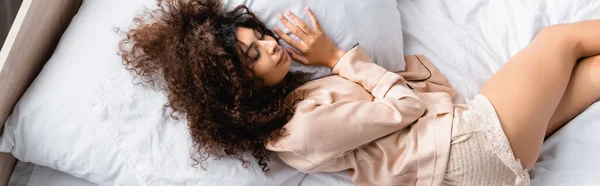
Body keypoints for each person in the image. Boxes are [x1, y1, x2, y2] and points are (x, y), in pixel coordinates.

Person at [118, 0, 600, 185]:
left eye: (260, 37)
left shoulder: (295, 111)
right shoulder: (300, 128)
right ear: (236, 90)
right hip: (463, 151)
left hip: (462, 154)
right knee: (558, 40)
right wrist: (335, 58)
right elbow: (404, 106)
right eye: (254, 56)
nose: (271, 46)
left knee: (590, 72)